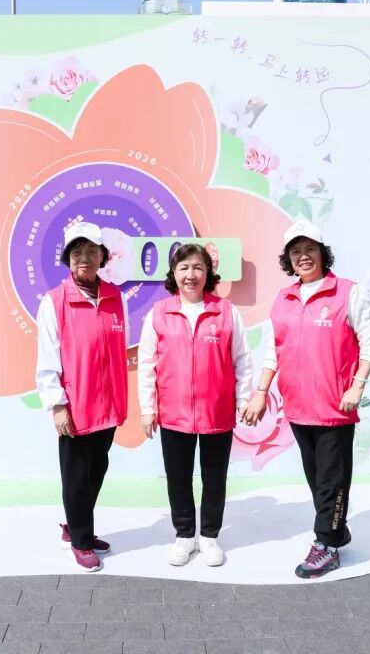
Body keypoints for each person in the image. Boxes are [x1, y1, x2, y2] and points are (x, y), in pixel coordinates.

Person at [245, 219, 370, 579]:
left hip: (335, 407)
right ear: (288, 259)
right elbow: (274, 350)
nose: (303, 256)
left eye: (310, 249)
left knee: (331, 480)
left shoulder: (348, 293)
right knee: (317, 477)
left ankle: (327, 545)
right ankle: (336, 528)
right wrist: (261, 392)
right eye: (296, 251)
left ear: (322, 253)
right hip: (298, 407)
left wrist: (357, 386)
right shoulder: (284, 299)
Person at [138, 243, 252, 567]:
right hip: (173, 413)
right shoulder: (159, 313)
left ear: (208, 273)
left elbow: (242, 359)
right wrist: (148, 408)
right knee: (178, 477)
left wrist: (243, 398)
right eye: (184, 268)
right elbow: (147, 364)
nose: (191, 274)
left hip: (216, 411)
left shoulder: (226, 312)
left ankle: (210, 537)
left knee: (214, 478)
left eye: (198, 267)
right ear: (174, 273)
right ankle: (185, 536)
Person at [35, 221, 128, 572]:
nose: (84, 258)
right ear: (68, 259)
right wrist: (57, 404)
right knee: (76, 475)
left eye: (91, 251)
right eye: (77, 253)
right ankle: (80, 540)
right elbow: (47, 358)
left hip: (110, 404)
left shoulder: (115, 298)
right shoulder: (54, 302)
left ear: (103, 256)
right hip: (75, 405)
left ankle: (75, 526)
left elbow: (117, 349)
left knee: (97, 468)